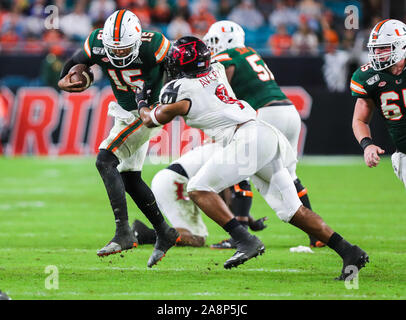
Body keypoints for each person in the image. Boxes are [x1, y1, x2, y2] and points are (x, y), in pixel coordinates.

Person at [137, 36, 369, 278]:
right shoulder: (216, 68)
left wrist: (141, 101)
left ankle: (244, 240)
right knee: (292, 211)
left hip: (247, 140)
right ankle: (349, 251)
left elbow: (152, 118)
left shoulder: (182, 89)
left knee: (197, 188)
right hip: (263, 133)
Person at [58, 10, 178, 268]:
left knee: (105, 160)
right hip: (124, 112)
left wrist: (165, 102)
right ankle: (164, 232)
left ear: (136, 40)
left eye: (124, 49)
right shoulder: (98, 42)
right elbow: (75, 61)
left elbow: (177, 68)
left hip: (148, 113)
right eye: (115, 49)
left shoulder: (154, 44)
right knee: (130, 177)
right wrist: (66, 79)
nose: (120, 54)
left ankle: (123, 232)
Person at [203, 20, 324, 248]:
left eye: (215, 41)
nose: (212, 47)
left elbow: (220, 90)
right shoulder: (250, 52)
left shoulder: (226, 57)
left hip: (265, 113)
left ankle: (239, 236)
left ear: (227, 40)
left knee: (240, 171)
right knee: (290, 174)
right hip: (288, 111)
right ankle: (317, 234)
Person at [132, 142, 268, 247]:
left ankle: (145, 234)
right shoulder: (234, 154)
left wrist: (250, 221)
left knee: (190, 232)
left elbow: (225, 198)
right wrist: (243, 231)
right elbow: (238, 193)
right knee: (197, 238)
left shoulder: (222, 147)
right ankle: (145, 234)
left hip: (168, 180)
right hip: (177, 182)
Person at [351, 19, 406, 188]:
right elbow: (360, 120)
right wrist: (367, 145)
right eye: (375, 48)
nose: (378, 53)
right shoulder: (367, 78)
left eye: (383, 48)